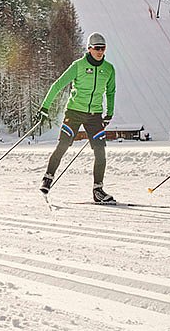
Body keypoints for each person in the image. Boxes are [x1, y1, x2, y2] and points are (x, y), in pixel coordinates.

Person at [38, 32, 116, 204]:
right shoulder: (78, 66)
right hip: (74, 112)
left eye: (103, 48)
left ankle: (98, 190)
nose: (100, 51)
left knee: (100, 152)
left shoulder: (109, 69)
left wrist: (109, 113)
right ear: (89, 49)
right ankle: (48, 177)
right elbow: (58, 85)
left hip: (95, 116)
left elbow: (110, 92)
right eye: (97, 48)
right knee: (63, 145)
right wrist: (45, 107)